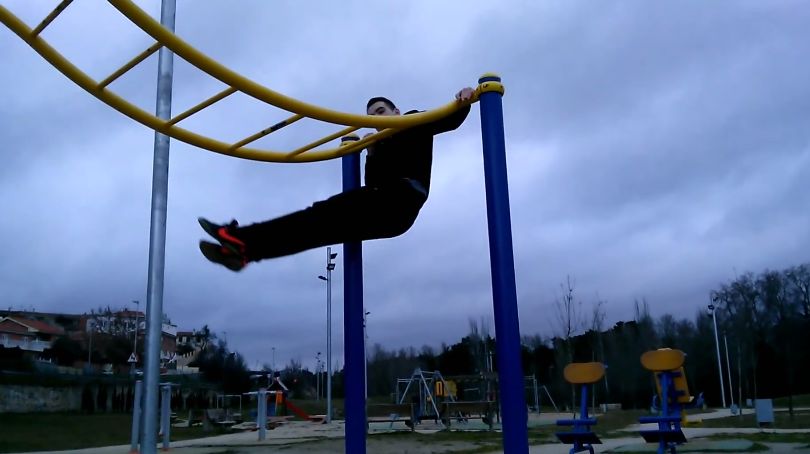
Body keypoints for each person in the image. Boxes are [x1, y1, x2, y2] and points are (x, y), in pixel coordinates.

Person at [199, 87, 475, 271]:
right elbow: (370, 186)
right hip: (385, 209)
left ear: (397, 112)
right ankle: (244, 251)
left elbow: (448, 121)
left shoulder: (412, 123)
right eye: (371, 117)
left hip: (402, 199)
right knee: (315, 230)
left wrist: (464, 100)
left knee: (317, 215)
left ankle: (238, 238)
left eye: (381, 111)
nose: (377, 118)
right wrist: (371, 152)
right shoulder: (379, 144)